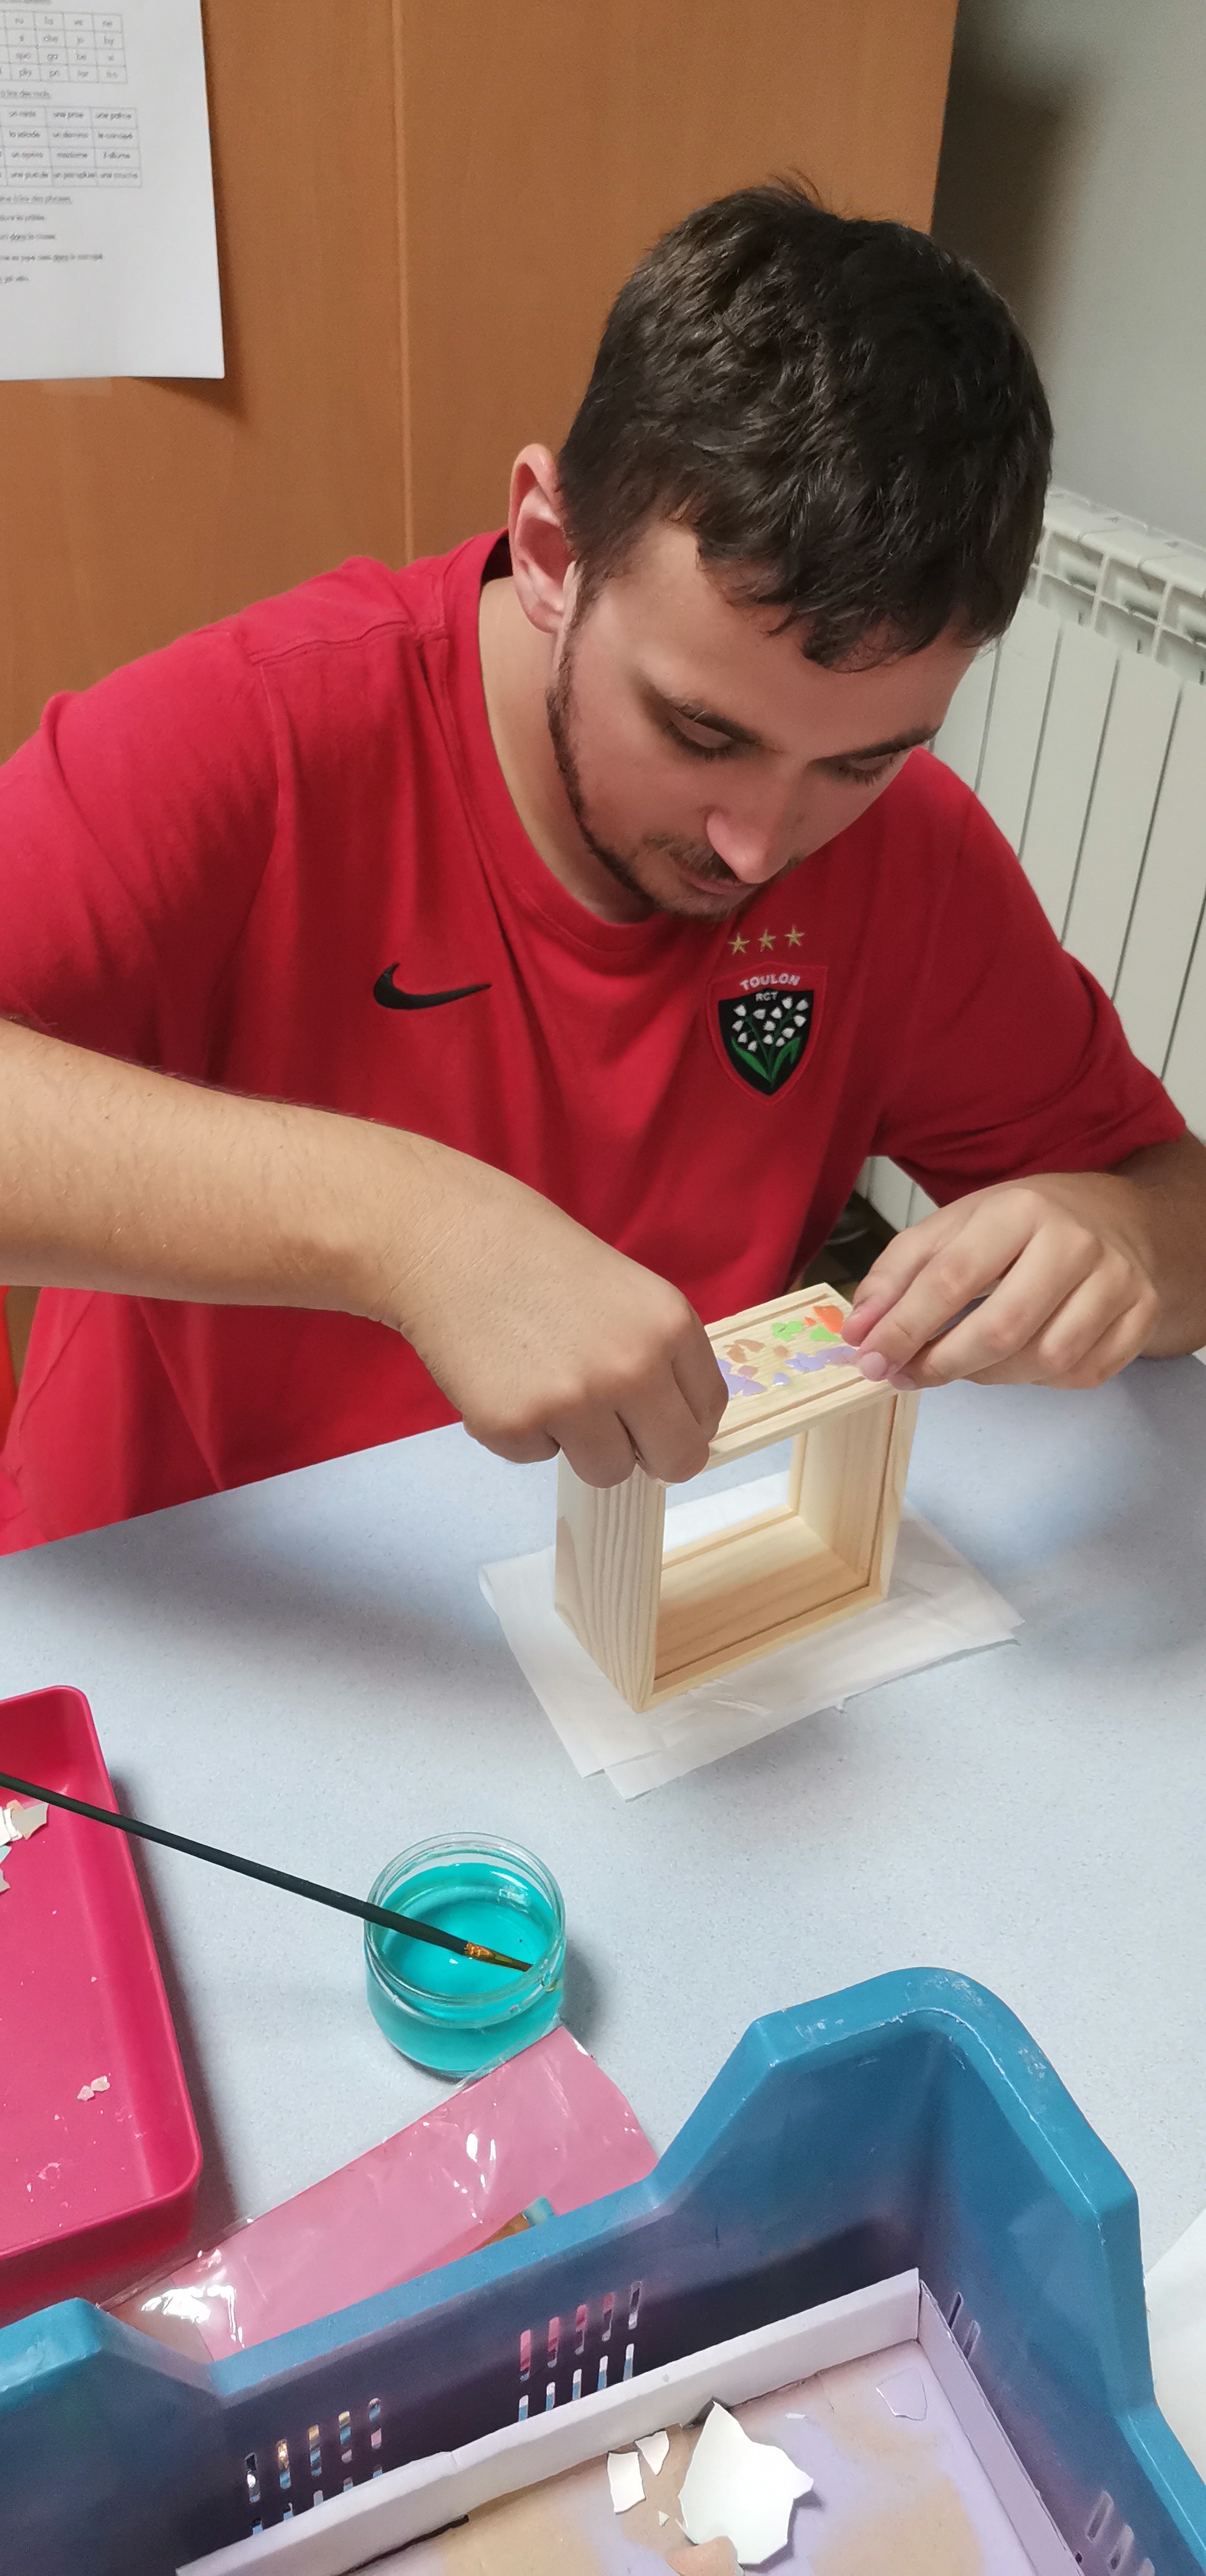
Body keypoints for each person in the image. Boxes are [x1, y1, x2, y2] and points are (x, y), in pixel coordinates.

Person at [1, 182, 1203, 1553]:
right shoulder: (262, 734)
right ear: (550, 550)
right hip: (185, 1580)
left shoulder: (911, 854)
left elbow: (1176, 1199)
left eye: (860, 762)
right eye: (702, 732)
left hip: (620, 1579)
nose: (760, 842)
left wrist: (1124, 1243)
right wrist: (411, 1227)